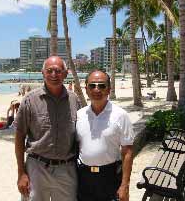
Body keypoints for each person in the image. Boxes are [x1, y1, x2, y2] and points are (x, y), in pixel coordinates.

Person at [14, 56, 81, 201]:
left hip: (67, 168)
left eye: (58, 70)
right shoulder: (30, 100)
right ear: (43, 73)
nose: (54, 75)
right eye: (49, 70)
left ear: (65, 73)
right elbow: (19, 136)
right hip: (36, 167)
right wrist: (21, 173)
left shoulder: (74, 100)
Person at [76, 70, 135, 201]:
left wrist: (125, 185)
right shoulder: (79, 115)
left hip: (110, 177)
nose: (97, 89)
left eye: (102, 86)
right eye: (92, 85)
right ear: (86, 89)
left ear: (108, 90)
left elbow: (128, 152)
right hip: (83, 178)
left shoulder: (120, 115)